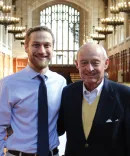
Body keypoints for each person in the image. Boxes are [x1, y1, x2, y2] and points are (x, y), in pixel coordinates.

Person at [0, 26, 66, 156]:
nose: (42, 51)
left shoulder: (61, 82)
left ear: (52, 48)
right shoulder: (8, 84)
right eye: (36, 45)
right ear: (26, 47)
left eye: (47, 45)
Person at [57, 42, 130, 156]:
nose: (89, 69)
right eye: (84, 63)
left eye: (95, 63)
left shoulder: (124, 95)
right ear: (77, 64)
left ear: (106, 64)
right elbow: (58, 128)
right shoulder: (68, 93)